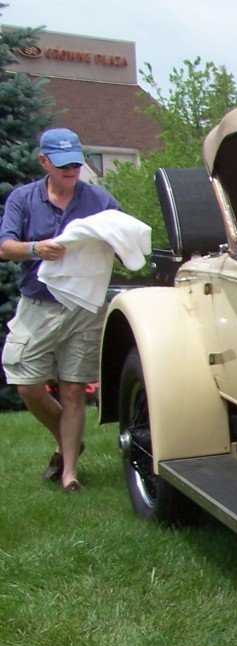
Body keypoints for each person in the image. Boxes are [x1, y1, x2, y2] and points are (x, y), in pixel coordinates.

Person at [0, 128, 120, 493]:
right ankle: (67, 436)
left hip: (83, 307)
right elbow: (5, 247)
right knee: (26, 383)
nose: (72, 170)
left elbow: (123, 231)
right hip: (38, 304)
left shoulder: (99, 198)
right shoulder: (23, 199)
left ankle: (69, 473)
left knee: (72, 390)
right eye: (63, 164)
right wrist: (36, 249)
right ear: (44, 161)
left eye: (76, 163)